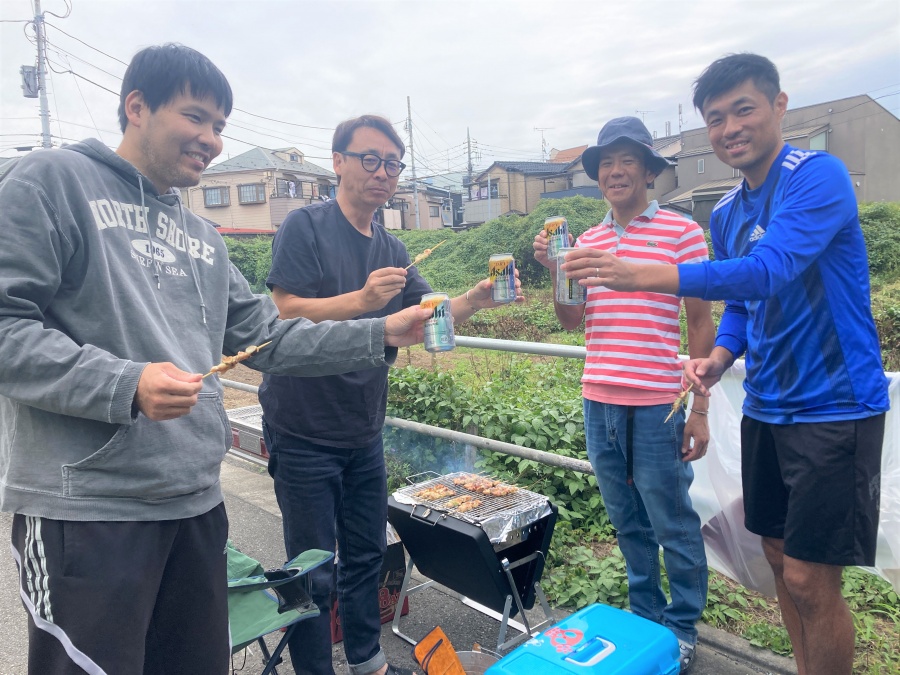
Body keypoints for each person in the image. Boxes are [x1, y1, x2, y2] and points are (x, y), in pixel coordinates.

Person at [0, 44, 430, 675]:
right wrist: (125, 382)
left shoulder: (202, 235)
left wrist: (381, 331)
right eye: (195, 117)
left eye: (220, 126)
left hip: (197, 502)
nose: (212, 140)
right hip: (90, 509)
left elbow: (267, 337)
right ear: (137, 107)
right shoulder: (52, 181)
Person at [576, 55, 889, 675]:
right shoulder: (726, 212)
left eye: (743, 110)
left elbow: (769, 270)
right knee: (777, 557)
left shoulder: (817, 176)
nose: (729, 128)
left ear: (779, 106)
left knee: (810, 578)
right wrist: (719, 358)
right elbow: (744, 305)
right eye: (716, 119)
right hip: (766, 404)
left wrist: (645, 274)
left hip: (834, 404)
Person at [259, 114, 522, 675]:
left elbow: (430, 315)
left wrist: (476, 298)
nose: (383, 173)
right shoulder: (305, 227)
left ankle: (368, 662)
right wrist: (361, 300)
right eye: (370, 159)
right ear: (338, 162)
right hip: (302, 430)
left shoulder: (393, 246)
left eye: (393, 165)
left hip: (363, 429)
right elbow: (283, 313)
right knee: (310, 570)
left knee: (366, 556)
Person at [533, 116, 714, 671]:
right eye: (606, 163)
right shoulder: (586, 241)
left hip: (659, 403)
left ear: (649, 171)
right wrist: (558, 269)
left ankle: (681, 628)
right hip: (599, 400)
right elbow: (571, 321)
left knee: (673, 522)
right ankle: (645, 619)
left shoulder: (683, 232)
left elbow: (701, 321)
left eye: (627, 160)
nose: (615, 171)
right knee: (628, 522)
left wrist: (700, 407)